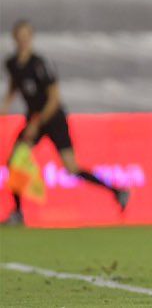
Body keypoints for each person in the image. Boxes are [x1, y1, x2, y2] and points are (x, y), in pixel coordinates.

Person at [2, 20, 130, 226]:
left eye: (27, 35)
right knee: (15, 160)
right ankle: (17, 213)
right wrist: (6, 105)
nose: (23, 40)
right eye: (20, 36)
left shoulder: (41, 64)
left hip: (53, 119)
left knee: (71, 168)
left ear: (31, 37)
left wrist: (36, 123)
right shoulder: (12, 63)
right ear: (15, 38)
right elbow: (14, 86)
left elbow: (54, 99)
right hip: (33, 119)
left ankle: (118, 191)